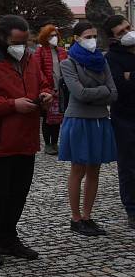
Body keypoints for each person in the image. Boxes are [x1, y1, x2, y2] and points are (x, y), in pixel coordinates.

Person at [0, 15, 53, 266]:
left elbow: (44, 83)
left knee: (19, 192)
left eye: (25, 41)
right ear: (2, 38)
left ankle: (8, 237)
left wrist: (46, 94)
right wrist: (11, 105)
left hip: (27, 138)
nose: (22, 46)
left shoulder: (29, 58)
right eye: (17, 41)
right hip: (1, 141)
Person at [59, 21, 117, 236]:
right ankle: (75, 218)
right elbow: (79, 93)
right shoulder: (69, 63)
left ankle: (87, 216)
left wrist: (97, 93)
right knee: (78, 169)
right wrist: (101, 92)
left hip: (100, 118)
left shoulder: (101, 61)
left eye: (94, 36)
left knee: (95, 169)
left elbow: (114, 92)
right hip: (79, 119)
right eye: (88, 36)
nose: (92, 40)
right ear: (76, 38)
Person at [102, 14, 135, 229]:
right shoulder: (112, 58)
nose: (127, 33)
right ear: (114, 38)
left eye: (128, 28)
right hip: (125, 118)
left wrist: (130, 76)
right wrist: (126, 79)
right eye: (121, 32)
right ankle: (132, 209)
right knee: (129, 166)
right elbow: (119, 89)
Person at [33, 25, 67, 155]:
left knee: (57, 119)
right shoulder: (40, 52)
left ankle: (55, 143)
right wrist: (47, 89)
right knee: (48, 118)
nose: (54, 38)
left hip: (60, 90)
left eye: (55, 35)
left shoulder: (62, 52)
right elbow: (38, 72)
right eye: (51, 36)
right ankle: (47, 144)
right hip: (47, 91)